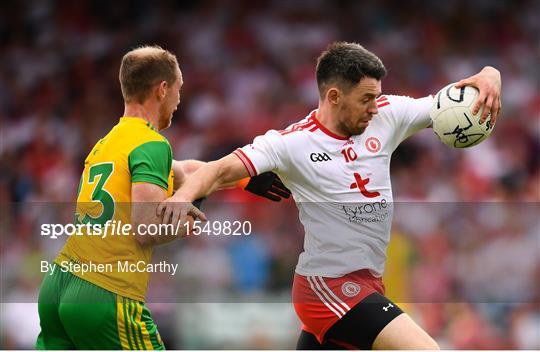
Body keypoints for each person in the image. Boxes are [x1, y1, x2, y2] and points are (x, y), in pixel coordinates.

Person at [158, 42, 502, 350]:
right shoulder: (291, 143)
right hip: (329, 286)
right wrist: (181, 198)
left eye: (377, 96)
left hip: (367, 281)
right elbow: (217, 170)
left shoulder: (387, 114)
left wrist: (490, 75)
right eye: (366, 99)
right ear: (334, 96)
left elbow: (447, 105)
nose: (374, 107)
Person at [35, 45, 289, 350]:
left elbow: (183, 171)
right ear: (163, 89)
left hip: (59, 285)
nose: (180, 100)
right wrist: (186, 214)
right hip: (105, 291)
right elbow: (145, 228)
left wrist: (245, 177)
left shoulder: (109, 141)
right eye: (179, 90)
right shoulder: (152, 143)